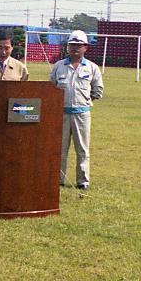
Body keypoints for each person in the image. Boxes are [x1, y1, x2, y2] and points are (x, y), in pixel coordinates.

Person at [50, 30, 104, 190]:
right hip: (61, 114)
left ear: (85, 47)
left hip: (82, 114)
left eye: (79, 45)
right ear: (67, 46)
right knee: (60, 149)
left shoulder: (92, 68)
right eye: (72, 45)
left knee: (82, 149)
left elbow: (97, 90)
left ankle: (83, 181)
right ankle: (58, 179)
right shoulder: (59, 66)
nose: (75, 48)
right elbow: (51, 88)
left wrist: (84, 102)